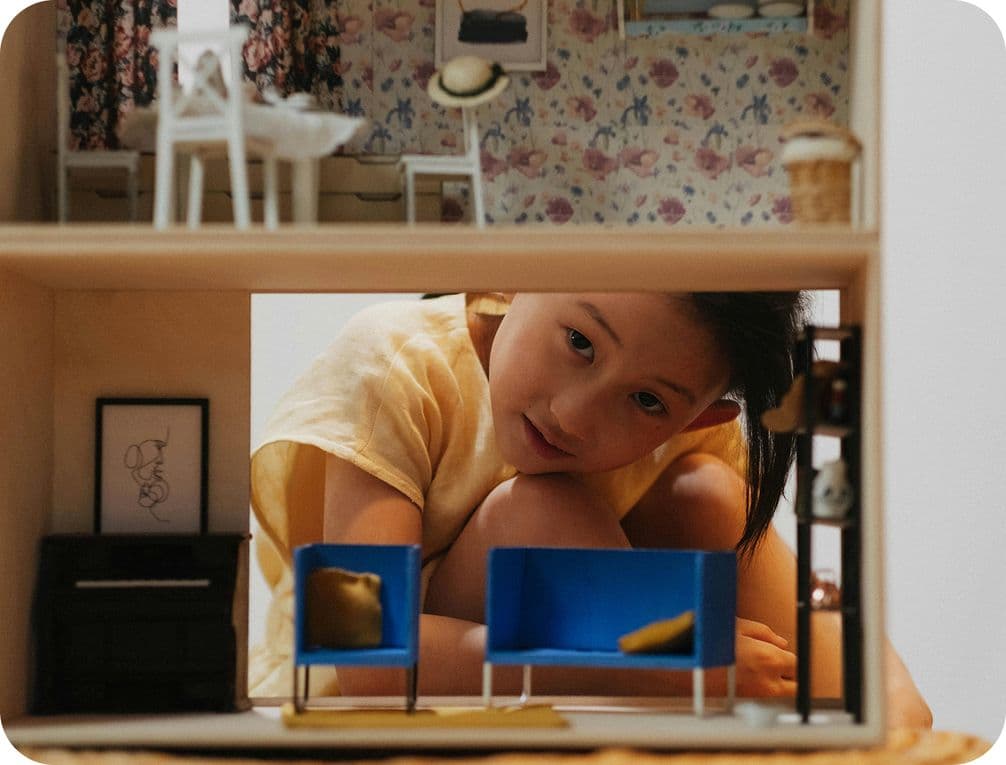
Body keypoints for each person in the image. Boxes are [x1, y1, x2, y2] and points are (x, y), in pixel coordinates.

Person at [250, 291, 931, 727]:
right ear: (517, 273)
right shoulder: (395, 363)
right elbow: (362, 653)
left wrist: (880, 693)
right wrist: (666, 665)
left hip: (569, 680)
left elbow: (904, 713)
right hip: (361, 690)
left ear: (700, 414)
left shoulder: (693, 438)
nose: (572, 416)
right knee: (542, 513)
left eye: (648, 402)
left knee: (708, 495)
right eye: (579, 341)